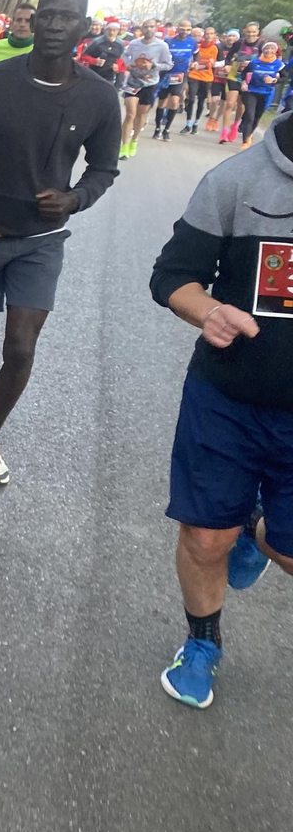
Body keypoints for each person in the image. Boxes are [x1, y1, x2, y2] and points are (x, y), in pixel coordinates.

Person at [0, 0, 122, 486]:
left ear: (84, 28)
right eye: (49, 15)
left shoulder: (101, 98)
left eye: (68, 18)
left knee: (21, 344)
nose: (57, 25)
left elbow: (104, 169)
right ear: (34, 21)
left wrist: (75, 198)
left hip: (40, 242)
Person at [148, 105, 293, 708]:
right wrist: (209, 311)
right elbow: (172, 277)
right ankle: (202, 641)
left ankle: (256, 529)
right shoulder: (235, 181)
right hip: (227, 398)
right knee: (206, 539)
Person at [118, 18, 171, 158]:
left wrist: (153, 66)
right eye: (146, 27)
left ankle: (134, 140)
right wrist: (128, 64)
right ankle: (124, 145)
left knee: (141, 114)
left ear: (156, 29)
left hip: (149, 83)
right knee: (130, 114)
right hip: (133, 82)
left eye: (151, 27)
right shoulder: (135, 44)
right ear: (141, 29)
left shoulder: (162, 46)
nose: (149, 29)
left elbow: (168, 64)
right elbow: (124, 55)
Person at [155, 21, 198, 140]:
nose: (185, 32)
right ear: (178, 29)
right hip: (166, 74)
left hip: (180, 74)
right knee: (162, 102)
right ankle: (158, 127)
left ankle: (167, 129)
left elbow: (196, 53)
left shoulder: (193, 41)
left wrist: (195, 62)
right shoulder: (168, 41)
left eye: (188, 29)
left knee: (174, 101)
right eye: (182, 29)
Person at [238, 41, 285, 147]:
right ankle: (246, 141)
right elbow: (244, 72)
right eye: (267, 48)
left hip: (266, 93)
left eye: (272, 49)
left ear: (275, 51)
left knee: (257, 116)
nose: (269, 51)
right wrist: (244, 82)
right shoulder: (255, 62)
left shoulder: (279, 64)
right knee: (250, 114)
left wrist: (274, 80)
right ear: (263, 50)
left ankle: (249, 133)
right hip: (251, 91)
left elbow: (284, 77)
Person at [221, 22, 260, 143]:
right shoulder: (239, 43)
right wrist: (227, 65)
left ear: (258, 32)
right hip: (235, 75)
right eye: (249, 32)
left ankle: (235, 126)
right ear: (245, 31)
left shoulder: (261, 44)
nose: (251, 34)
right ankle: (224, 133)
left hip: (249, 79)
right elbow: (229, 56)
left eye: (253, 32)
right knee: (230, 103)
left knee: (241, 105)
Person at [182, 27, 217, 135]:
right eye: (207, 34)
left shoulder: (215, 48)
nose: (208, 36)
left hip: (207, 77)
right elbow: (190, 58)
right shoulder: (197, 46)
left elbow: (221, 63)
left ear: (214, 35)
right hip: (194, 75)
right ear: (203, 35)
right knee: (191, 99)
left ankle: (196, 123)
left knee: (201, 101)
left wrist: (214, 63)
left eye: (211, 34)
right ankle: (188, 124)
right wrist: (191, 64)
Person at [79, 17, 126, 85]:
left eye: (114, 30)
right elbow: (83, 56)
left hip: (109, 76)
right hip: (94, 74)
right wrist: (94, 61)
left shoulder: (120, 44)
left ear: (118, 31)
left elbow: (120, 58)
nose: (111, 32)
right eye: (109, 30)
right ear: (105, 30)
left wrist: (117, 65)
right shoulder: (97, 41)